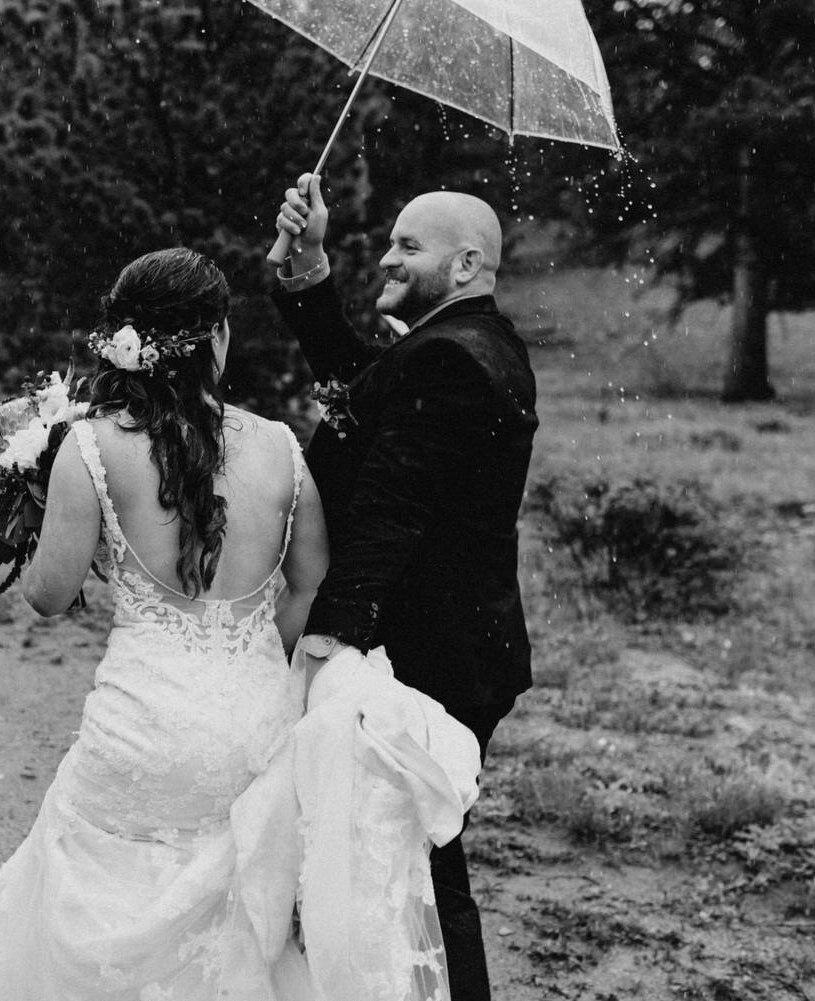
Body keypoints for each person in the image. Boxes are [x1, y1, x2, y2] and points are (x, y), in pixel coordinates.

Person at [0, 247, 331, 998]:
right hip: (254, 728)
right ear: (218, 338)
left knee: (103, 915)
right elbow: (310, 584)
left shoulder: (93, 446)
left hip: (143, 729)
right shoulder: (282, 449)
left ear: (122, 340)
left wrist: (19, 516)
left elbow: (49, 595)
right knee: (232, 941)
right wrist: (249, 653)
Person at [272, 173, 539, 1001]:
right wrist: (309, 266)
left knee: (426, 860)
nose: (386, 256)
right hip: (454, 642)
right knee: (411, 852)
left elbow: (393, 508)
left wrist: (324, 637)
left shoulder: (451, 359)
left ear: (465, 265)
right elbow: (366, 390)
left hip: (430, 653)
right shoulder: (458, 345)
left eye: (408, 246)